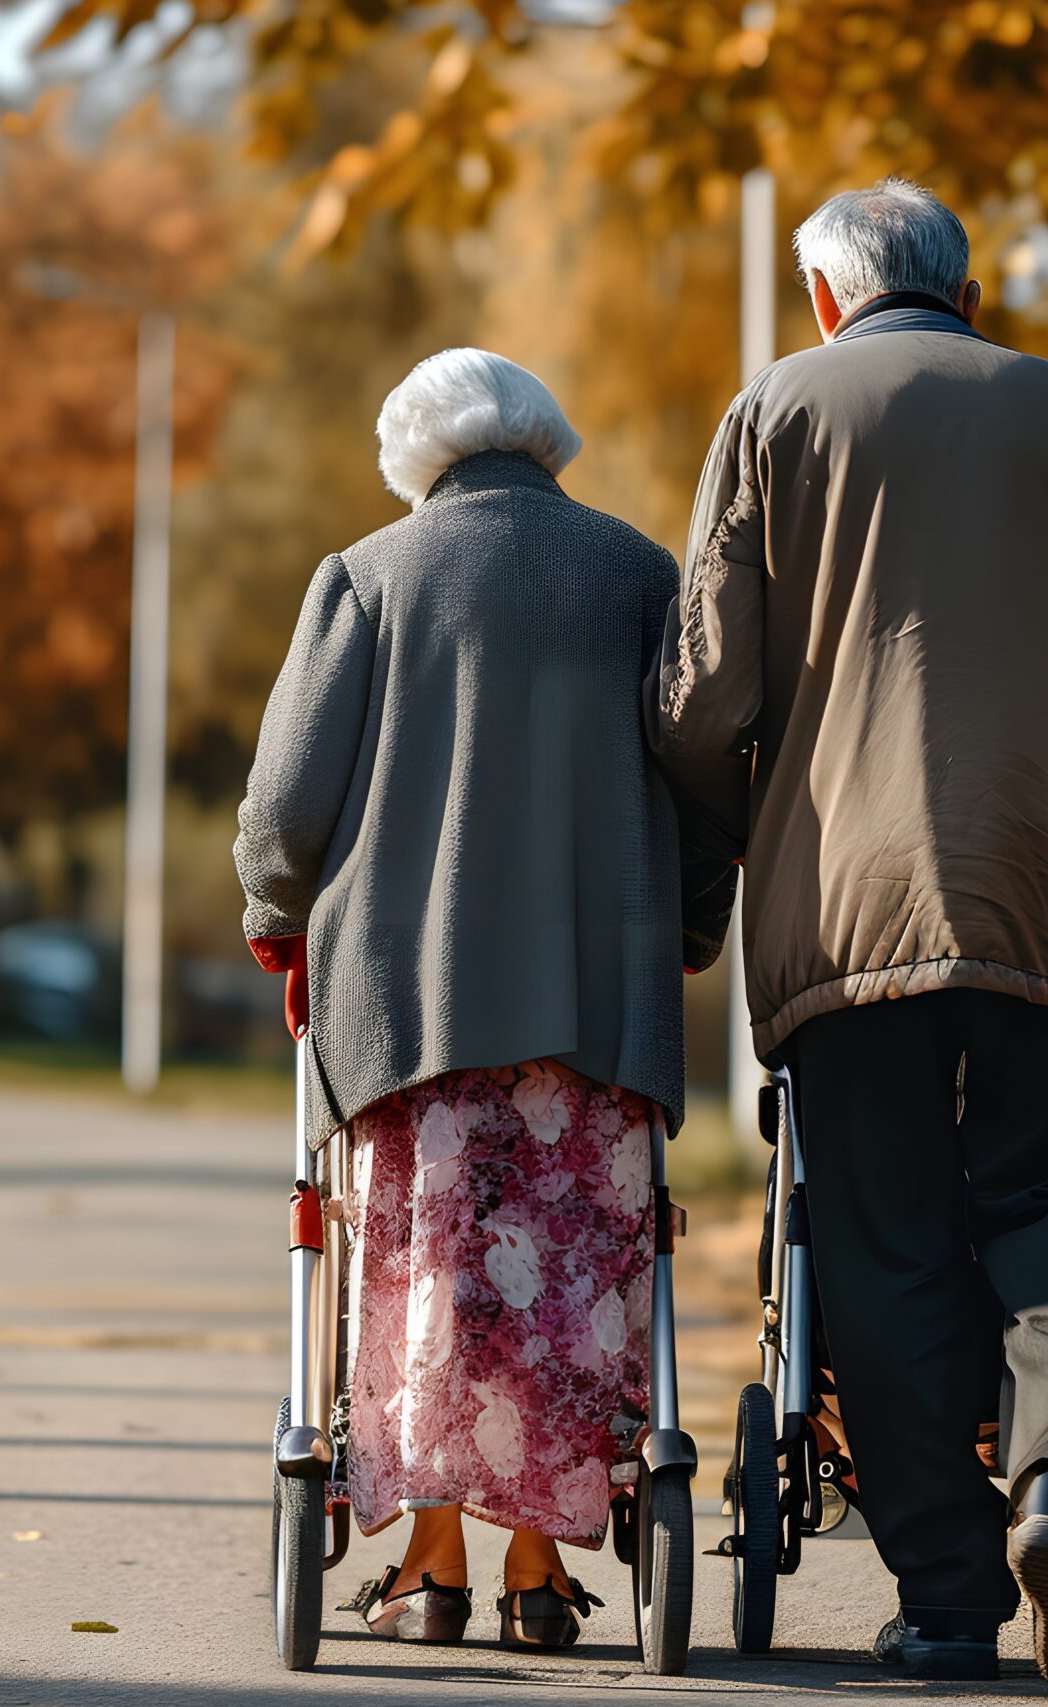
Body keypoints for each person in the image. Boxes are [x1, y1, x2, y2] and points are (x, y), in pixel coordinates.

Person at [646, 179, 1048, 1688]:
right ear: (964, 292)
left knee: (882, 1235)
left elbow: (702, 700)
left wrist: (705, 891)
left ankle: (949, 1596)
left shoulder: (776, 417)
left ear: (829, 298)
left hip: (856, 909)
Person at [235, 349, 724, 1651]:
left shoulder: (366, 578)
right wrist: (695, 921)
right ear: (543, 440)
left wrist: (271, 910)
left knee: (434, 1280)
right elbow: (701, 777)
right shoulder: (638, 577)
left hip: (414, 1012)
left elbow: (287, 812)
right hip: (599, 1003)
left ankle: (430, 1567)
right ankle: (533, 1572)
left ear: (416, 457)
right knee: (571, 1283)